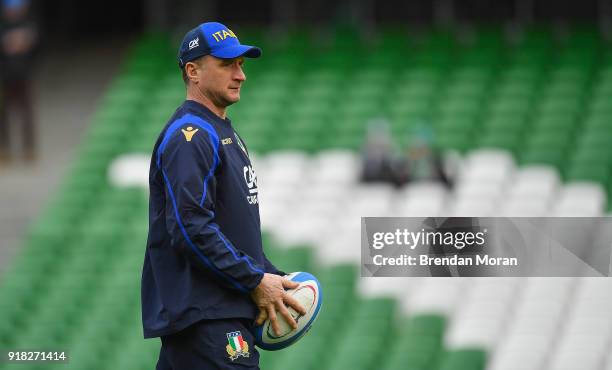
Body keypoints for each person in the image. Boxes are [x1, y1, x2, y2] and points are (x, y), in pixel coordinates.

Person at [141, 22, 305, 370]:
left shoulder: (222, 133)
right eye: (227, 64)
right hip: (209, 319)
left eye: (241, 64)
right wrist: (254, 279)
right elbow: (190, 227)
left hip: (213, 316)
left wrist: (273, 277)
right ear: (193, 71)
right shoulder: (191, 136)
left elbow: (233, 231)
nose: (240, 74)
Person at [0, 0, 37, 164]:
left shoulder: (30, 23)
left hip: (24, 74)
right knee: (3, 114)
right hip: (4, 75)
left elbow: (35, 45)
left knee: (26, 112)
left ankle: (29, 148)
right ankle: (4, 149)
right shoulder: (3, 26)